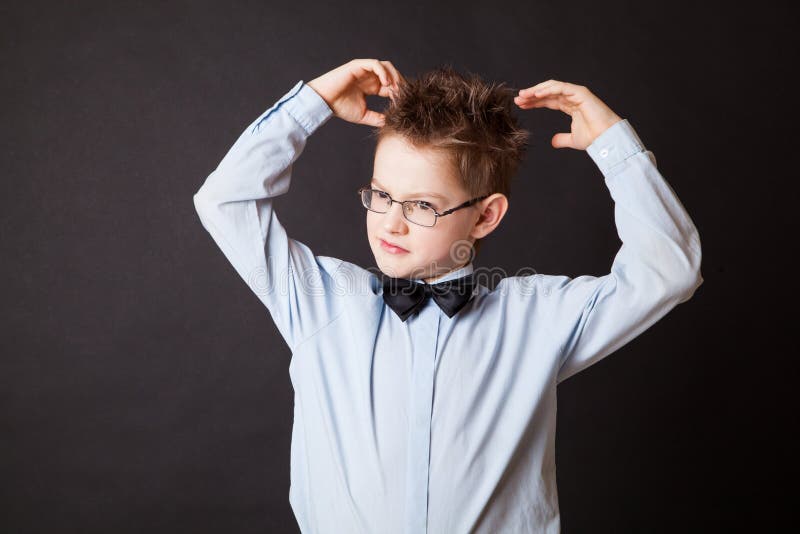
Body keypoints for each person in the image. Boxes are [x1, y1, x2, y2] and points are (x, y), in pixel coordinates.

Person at [193, 58, 703, 533]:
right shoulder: (319, 302)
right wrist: (314, 104)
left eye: (422, 206)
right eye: (382, 195)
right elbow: (224, 202)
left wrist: (615, 147)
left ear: (485, 216)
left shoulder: (538, 318)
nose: (390, 222)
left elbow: (670, 271)